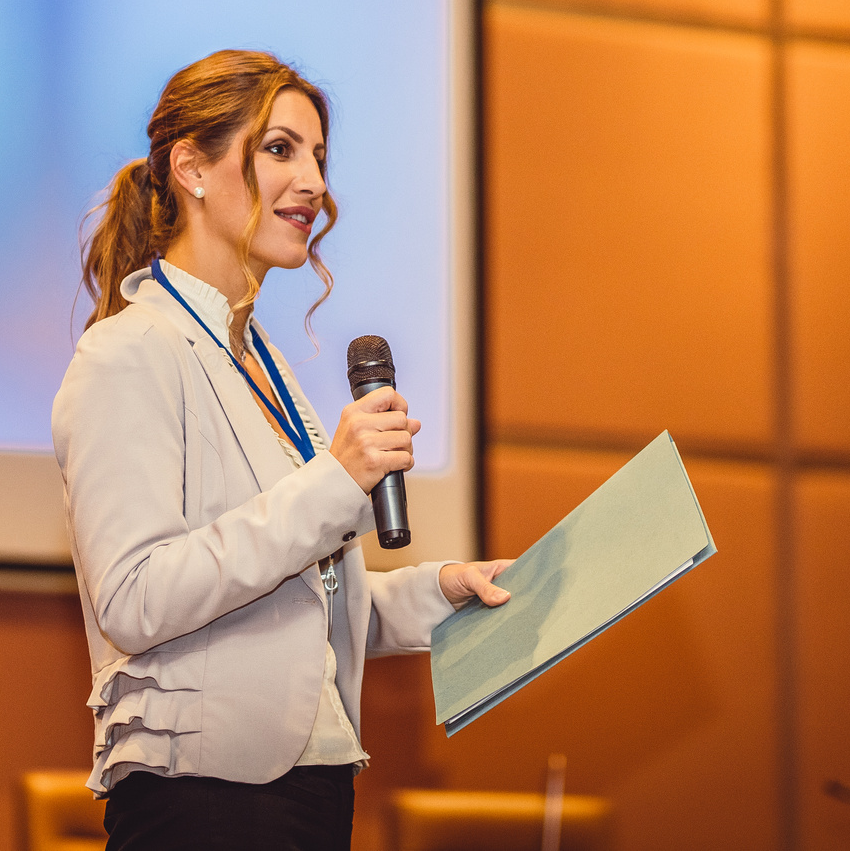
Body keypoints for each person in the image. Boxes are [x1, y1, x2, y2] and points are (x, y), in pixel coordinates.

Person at [53, 49, 512, 851]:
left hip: (311, 799)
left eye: (319, 159)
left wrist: (443, 591)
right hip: (205, 807)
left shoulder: (262, 364)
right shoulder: (128, 352)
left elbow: (296, 601)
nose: (313, 183)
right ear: (190, 167)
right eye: (281, 149)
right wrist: (335, 481)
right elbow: (133, 596)